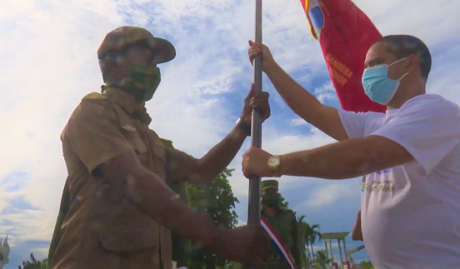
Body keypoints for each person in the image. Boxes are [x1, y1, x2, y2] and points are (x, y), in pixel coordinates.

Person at [50, 26, 271, 269]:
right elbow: (134, 181)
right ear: (112, 63)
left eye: (156, 63)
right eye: (147, 57)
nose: (153, 67)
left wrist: (243, 125)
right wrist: (220, 239)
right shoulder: (92, 113)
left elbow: (201, 171)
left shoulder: (148, 137)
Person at [242, 35, 460, 269]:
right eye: (365, 67)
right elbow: (315, 111)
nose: (367, 73)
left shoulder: (437, 112)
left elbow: (364, 157)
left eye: (375, 64)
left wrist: (275, 163)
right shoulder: (374, 124)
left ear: (409, 64)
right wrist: (270, 67)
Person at [259, 180, 303, 269]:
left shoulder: (289, 216)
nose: (271, 194)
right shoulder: (256, 217)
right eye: (267, 191)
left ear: (278, 194)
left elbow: (297, 247)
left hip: (285, 265)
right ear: (261, 195)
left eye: (273, 191)